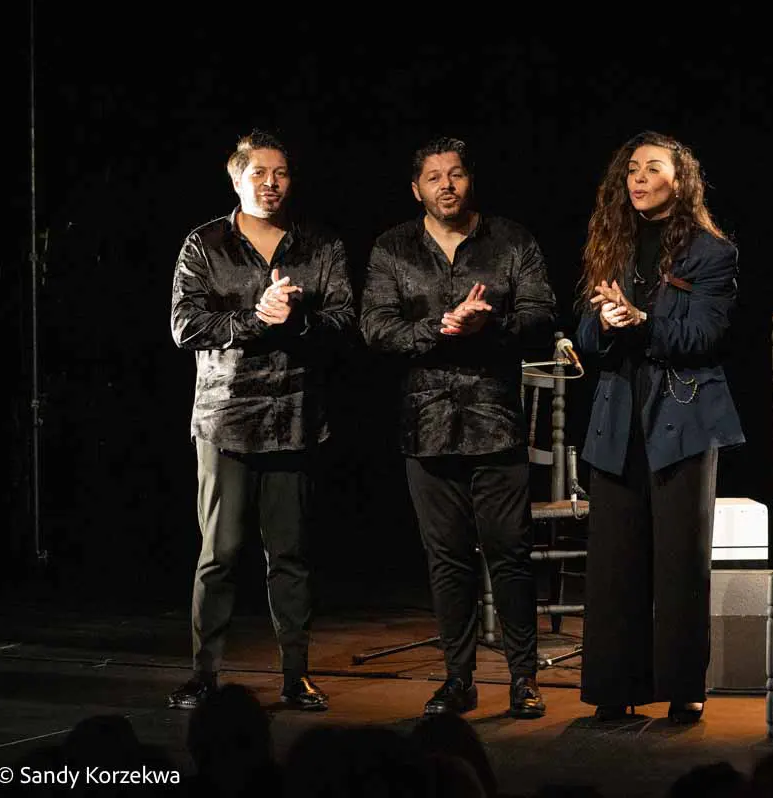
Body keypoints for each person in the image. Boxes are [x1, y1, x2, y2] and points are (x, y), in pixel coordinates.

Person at [360, 137, 556, 718]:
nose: (447, 185)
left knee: (510, 554)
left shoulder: (511, 240)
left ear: (470, 181)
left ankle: (524, 679)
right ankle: (458, 678)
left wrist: (485, 327)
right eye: (434, 177)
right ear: (416, 189)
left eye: (456, 174)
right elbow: (374, 327)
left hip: (495, 420)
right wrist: (439, 328)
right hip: (426, 424)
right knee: (446, 559)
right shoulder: (392, 248)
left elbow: (541, 316)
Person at [169, 130, 355, 711]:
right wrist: (256, 316)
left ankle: (295, 674)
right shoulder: (204, 244)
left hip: (293, 417)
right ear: (237, 178)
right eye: (260, 174)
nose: (271, 184)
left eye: (281, 174)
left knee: (291, 555)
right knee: (219, 554)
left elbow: (346, 320)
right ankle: (204, 674)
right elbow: (185, 326)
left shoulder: (319, 245)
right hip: (225, 421)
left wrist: (296, 319)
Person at [577, 131, 744, 724]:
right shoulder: (613, 246)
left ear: (681, 180)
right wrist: (604, 318)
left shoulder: (710, 252)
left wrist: (642, 320)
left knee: (680, 560)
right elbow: (586, 341)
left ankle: (682, 686)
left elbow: (702, 338)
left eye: (652, 168)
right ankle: (614, 686)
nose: (638, 178)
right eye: (632, 170)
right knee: (614, 560)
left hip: (683, 414)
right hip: (617, 414)